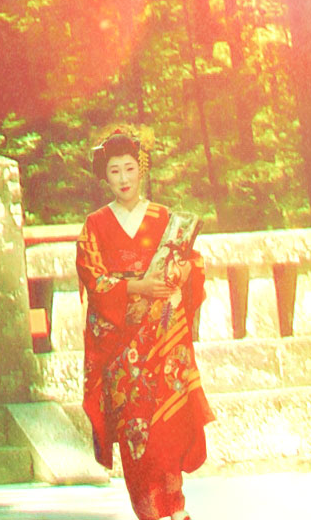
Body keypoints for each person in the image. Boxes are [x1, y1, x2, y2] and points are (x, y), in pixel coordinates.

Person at [75, 124, 212, 519]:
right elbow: (94, 278)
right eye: (114, 170)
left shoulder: (165, 218)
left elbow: (193, 265)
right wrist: (138, 286)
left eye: (130, 168)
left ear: (142, 170)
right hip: (123, 352)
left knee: (167, 435)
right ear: (105, 176)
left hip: (162, 344)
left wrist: (180, 275)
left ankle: (177, 510)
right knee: (137, 439)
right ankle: (151, 515)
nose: (123, 178)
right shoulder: (95, 226)